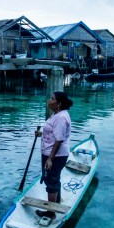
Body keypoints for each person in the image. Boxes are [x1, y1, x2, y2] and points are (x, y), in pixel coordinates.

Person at [34, 91, 73, 219]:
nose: (49, 100)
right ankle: (56, 201)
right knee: (53, 178)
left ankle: (51, 213)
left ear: (59, 104)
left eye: (52, 99)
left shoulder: (61, 117)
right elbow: (53, 133)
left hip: (55, 155)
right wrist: (41, 134)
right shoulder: (56, 114)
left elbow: (59, 139)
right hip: (51, 152)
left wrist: (50, 159)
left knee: (51, 180)